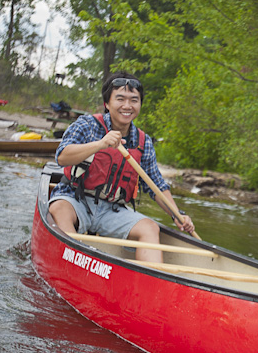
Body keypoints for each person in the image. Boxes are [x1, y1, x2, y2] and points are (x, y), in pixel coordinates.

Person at [49, 72, 195, 263]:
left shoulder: (144, 141)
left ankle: (151, 282)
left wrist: (178, 215)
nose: (127, 106)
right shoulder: (86, 125)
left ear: (140, 105)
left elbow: (156, 185)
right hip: (76, 199)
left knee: (150, 229)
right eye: (120, 99)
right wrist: (100, 144)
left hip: (113, 209)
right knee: (59, 208)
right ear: (107, 104)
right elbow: (62, 157)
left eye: (134, 100)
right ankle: (70, 262)